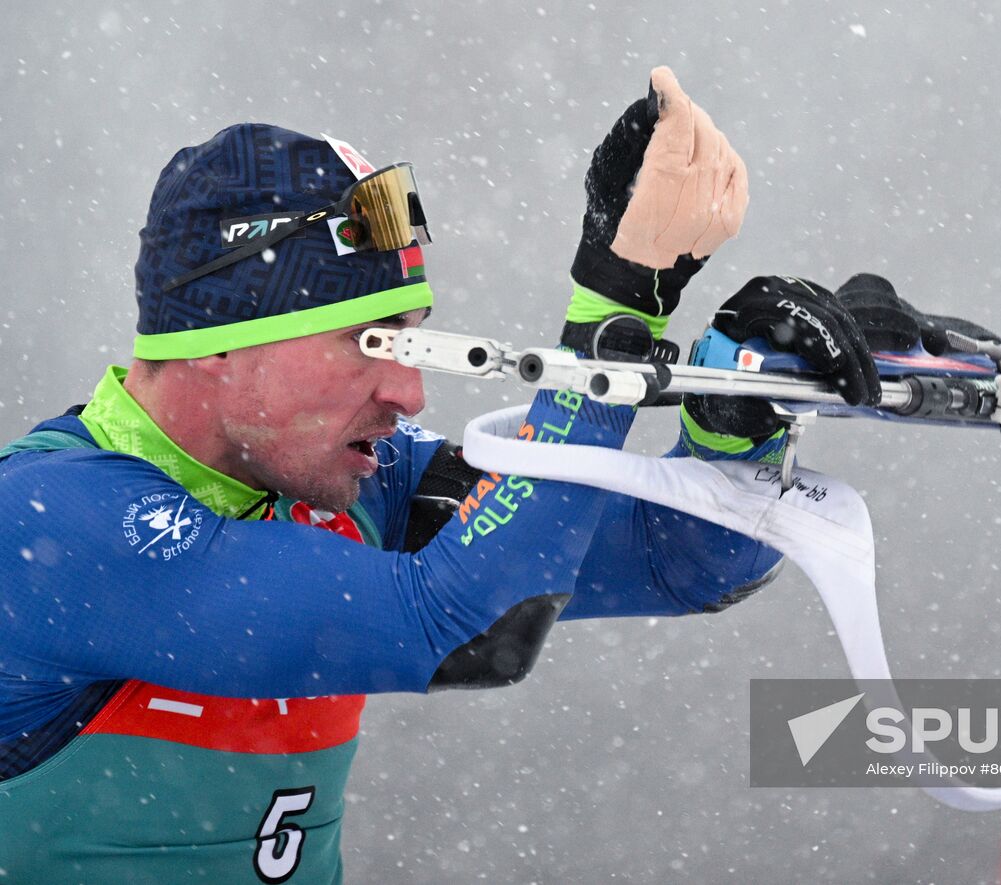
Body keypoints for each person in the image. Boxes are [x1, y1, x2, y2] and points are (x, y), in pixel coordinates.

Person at [0, 68, 887, 883]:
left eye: (413, 336)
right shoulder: (47, 524)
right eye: (369, 340)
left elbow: (683, 559)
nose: (410, 390)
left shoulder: (357, 480)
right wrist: (614, 320)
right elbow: (470, 627)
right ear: (217, 340)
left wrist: (737, 410)